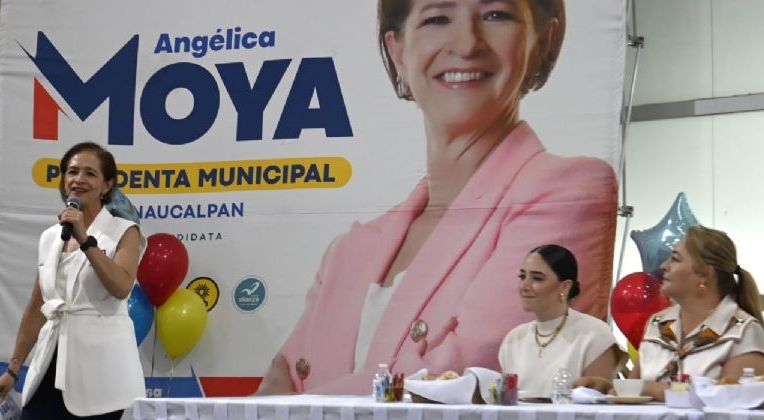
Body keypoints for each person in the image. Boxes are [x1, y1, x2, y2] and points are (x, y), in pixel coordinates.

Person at [256, 0, 617, 395]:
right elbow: (275, 389)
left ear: (542, 43)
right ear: (398, 51)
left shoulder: (569, 193)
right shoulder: (348, 252)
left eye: (496, 15)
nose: (466, 44)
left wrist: (297, 406)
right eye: (437, 18)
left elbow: (471, 382)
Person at [0, 142, 144, 420]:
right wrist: (13, 368)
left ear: (107, 185)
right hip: (50, 369)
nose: (79, 179)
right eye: (73, 171)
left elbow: (120, 287)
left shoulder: (123, 232)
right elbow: (35, 306)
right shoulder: (49, 238)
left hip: (99, 374)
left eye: (91, 173)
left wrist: (87, 240)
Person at [631, 226, 764, 401]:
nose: (664, 266)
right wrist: (605, 386)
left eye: (675, 259)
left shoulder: (743, 331)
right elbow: (630, 391)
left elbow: (731, 402)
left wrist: (652, 390)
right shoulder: (658, 323)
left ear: (705, 275)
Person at [499, 245, 620, 397]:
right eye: (522, 277)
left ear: (565, 286)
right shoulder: (514, 338)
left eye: (537, 278)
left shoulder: (595, 334)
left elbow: (597, 405)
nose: (525, 286)